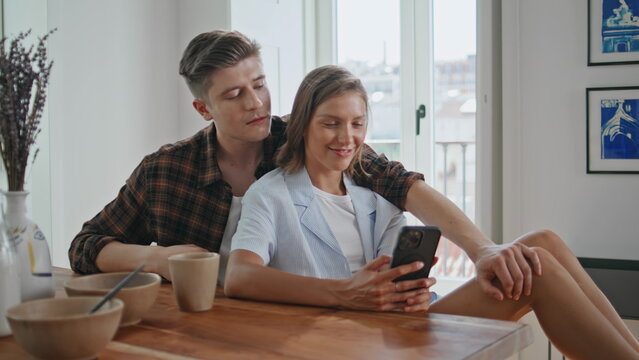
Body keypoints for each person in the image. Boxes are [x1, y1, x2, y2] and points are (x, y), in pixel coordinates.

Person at [68, 29, 615, 332]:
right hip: (230, 329)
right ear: (202, 107)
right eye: (234, 95)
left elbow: (406, 186)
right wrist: (165, 259)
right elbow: (86, 246)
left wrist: (483, 248)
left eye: (259, 83)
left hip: (317, 323)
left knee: (540, 247)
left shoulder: (307, 140)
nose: (257, 102)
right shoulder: (167, 171)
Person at [225, 66, 639, 360]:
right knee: (537, 270)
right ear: (303, 125)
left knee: (543, 242)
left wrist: (412, 290)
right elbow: (241, 277)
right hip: (346, 334)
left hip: (402, 322)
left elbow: (396, 275)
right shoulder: (271, 194)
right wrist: (346, 293)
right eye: (330, 123)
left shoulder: (373, 196)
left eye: (357, 123)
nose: (347, 138)